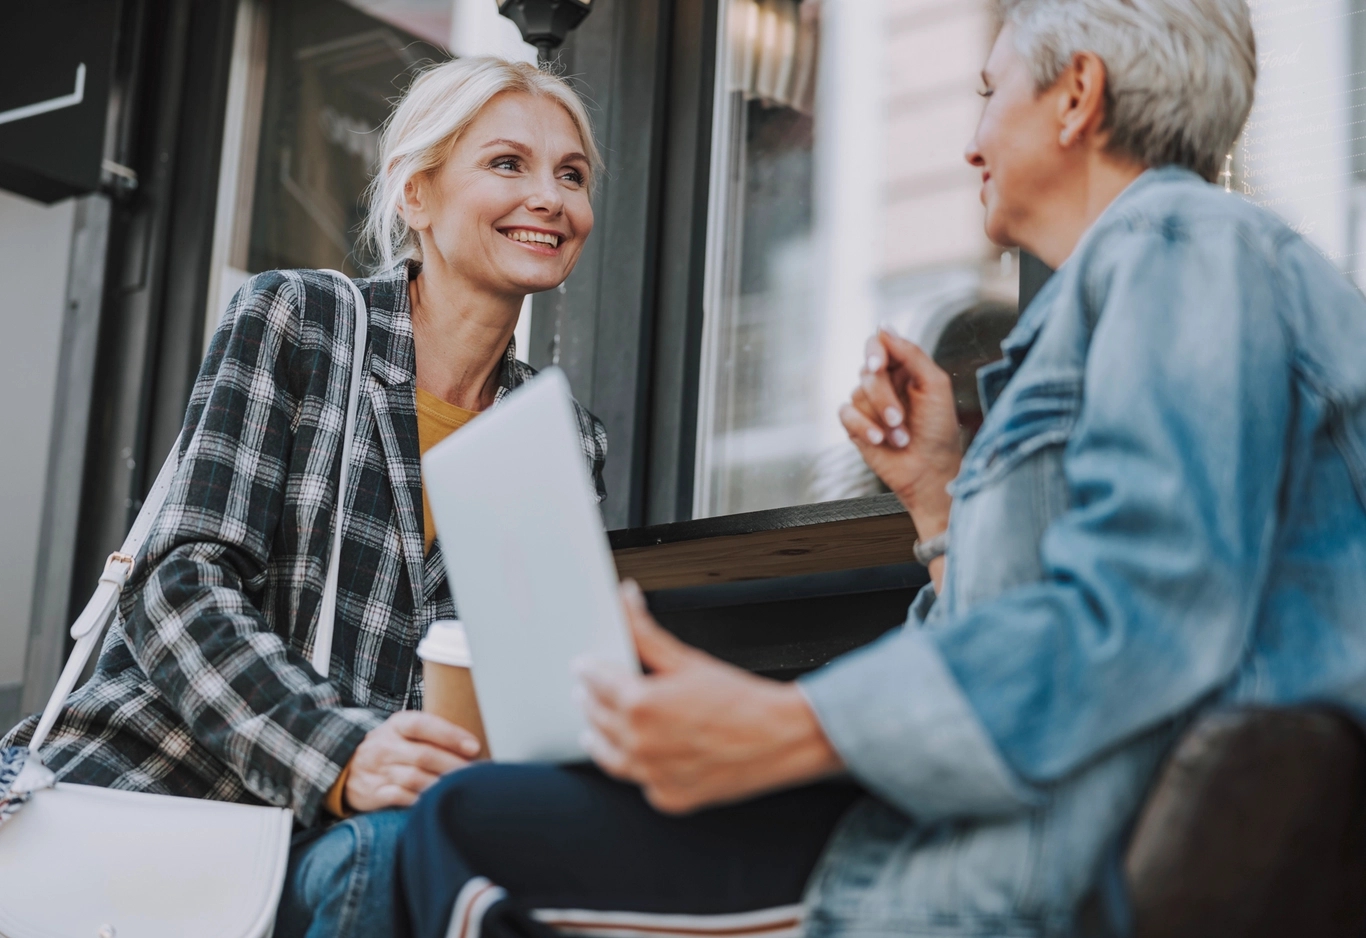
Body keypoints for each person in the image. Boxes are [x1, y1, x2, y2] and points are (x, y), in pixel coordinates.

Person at [396, 0, 1366, 935]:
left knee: (470, 831)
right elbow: (1045, 627)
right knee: (487, 813)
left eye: (988, 91)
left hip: (1023, 857)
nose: (970, 141)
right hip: (980, 812)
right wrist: (938, 494)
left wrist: (786, 726)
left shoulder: (1181, 244)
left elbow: (1143, 614)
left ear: (1075, 97)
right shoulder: (1137, 285)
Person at [1, 57, 608, 938]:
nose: (551, 197)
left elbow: (530, 697)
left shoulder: (563, 442)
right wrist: (339, 754)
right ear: (417, 195)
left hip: (362, 850)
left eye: (573, 175)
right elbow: (178, 587)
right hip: (166, 809)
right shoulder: (302, 322)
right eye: (507, 164)